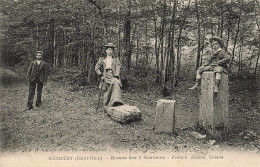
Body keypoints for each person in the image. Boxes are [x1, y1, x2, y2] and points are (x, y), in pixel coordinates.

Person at [95, 43, 124, 109]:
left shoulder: (116, 60)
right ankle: (106, 104)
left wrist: (116, 77)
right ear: (106, 51)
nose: (110, 51)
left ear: (113, 51)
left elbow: (118, 68)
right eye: (108, 49)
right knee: (106, 87)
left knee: (116, 84)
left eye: (111, 50)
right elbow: (96, 67)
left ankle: (116, 102)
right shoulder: (102, 59)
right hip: (105, 76)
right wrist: (100, 75)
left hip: (113, 76)